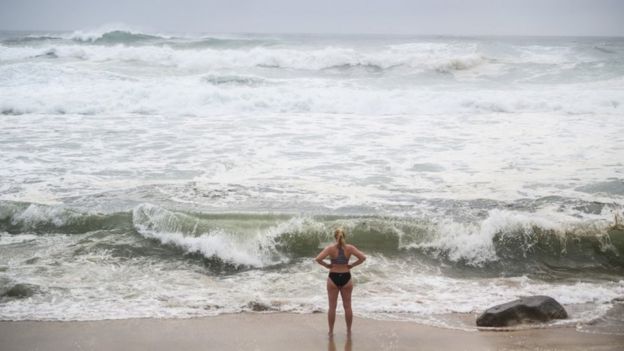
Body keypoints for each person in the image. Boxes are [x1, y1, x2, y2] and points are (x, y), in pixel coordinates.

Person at [315, 228, 366, 335]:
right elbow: (362, 258)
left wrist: (327, 265)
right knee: (347, 306)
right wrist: (352, 265)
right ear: (344, 237)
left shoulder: (330, 249)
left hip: (333, 277)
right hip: (346, 277)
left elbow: (318, 259)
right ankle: (348, 330)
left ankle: (331, 331)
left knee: (332, 307)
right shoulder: (350, 248)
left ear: (335, 237)